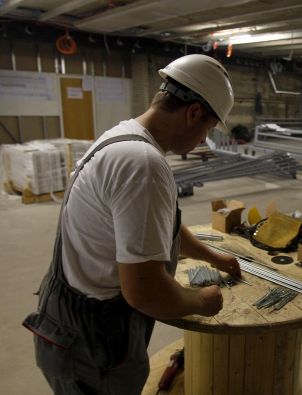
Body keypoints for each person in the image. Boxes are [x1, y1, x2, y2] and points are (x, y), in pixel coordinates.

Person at [23, 54, 241, 394]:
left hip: (68, 324)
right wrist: (202, 301)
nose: (204, 140)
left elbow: (154, 230)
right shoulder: (143, 165)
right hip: (95, 344)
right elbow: (145, 293)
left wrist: (213, 257)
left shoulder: (122, 137)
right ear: (193, 112)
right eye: (208, 129)